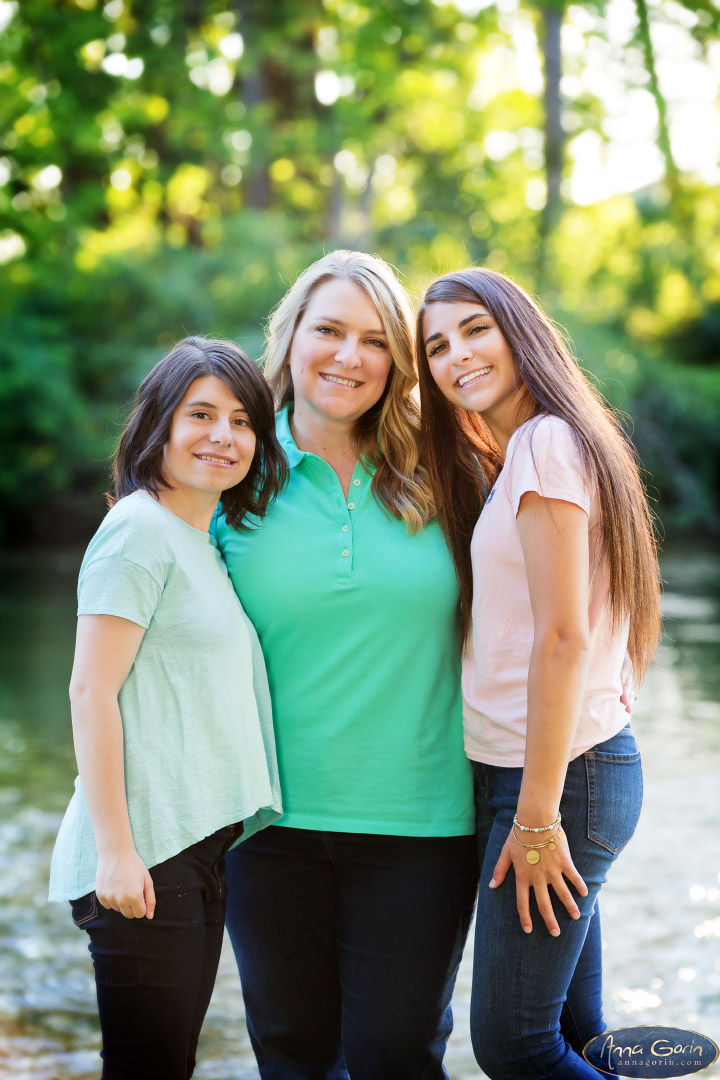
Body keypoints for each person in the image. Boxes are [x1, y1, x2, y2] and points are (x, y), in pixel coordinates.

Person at [212, 251, 480, 1080]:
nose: (348, 356)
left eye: (374, 340)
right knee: (292, 1057)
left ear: (398, 363)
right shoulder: (229, 475)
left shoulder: (450, 472)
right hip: (266, 825)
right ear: (290, 337)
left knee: (394, 1056)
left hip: (422, 825)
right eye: (328, 330)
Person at [415, 267, 661, 1079]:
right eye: (438, 347)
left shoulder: (547, 444)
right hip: (557, 774)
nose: (457, 356)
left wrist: (534, 817)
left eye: (475, 330)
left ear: (521, 329)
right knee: (582, 1034)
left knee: (516, 1048)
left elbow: (563, 636)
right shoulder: (533, 446)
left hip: (554, 784)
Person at [49, 337, 288, 1080]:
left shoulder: (197, 538)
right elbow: (90, 691)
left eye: (244, 420)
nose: (224, 436)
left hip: (191, 847)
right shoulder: (139, 531)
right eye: (202, 414)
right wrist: (119, 851)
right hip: (145, 853)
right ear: (159, 423)